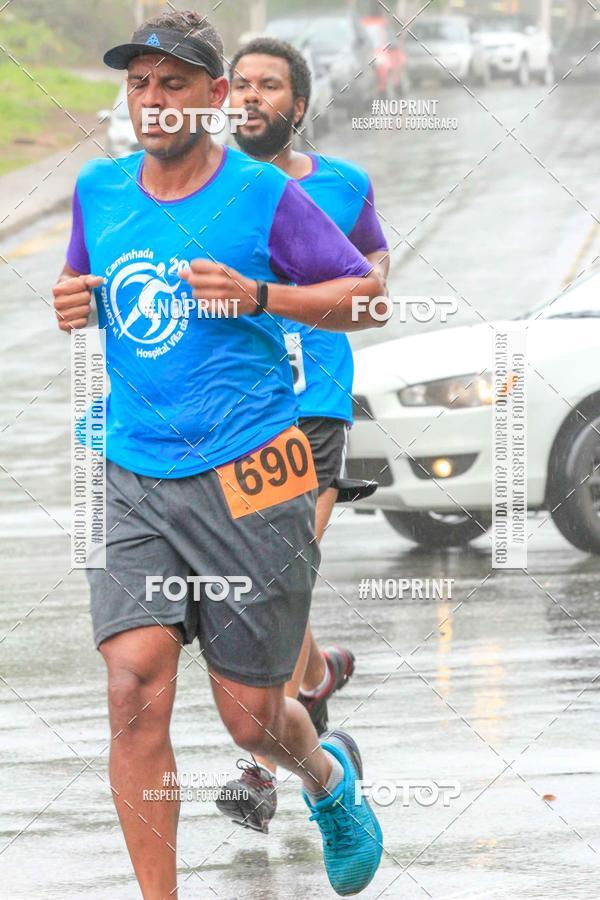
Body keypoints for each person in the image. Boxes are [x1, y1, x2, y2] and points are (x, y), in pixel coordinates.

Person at [52, 10, 387, 900]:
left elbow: (367, 297)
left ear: (214, 95)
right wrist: (71, 302)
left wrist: (264, 295)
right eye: (139, 84)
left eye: (172, 84)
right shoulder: (99, 190)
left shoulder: (265, 195)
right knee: (132, 686)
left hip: (251, 474)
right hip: (134, 473)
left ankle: (325, 779)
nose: (153, 100)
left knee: (249, 721)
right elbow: (87, 281)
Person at [216, 37, 390, 836]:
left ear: (297, 104)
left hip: (313, 407)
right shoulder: (205, 189)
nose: (251, 97)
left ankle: (259, 765)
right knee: (270, 578)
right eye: (240, 84)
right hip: (239, 416)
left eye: (268, 86)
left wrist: (289, 289)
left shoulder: (344, 186)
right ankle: (318, 677)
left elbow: (374, 276)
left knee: (275, 574)